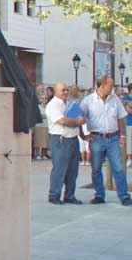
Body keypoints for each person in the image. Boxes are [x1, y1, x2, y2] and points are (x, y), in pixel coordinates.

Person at [80, 76, 130, 205]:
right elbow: (79, 117)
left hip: (113, 138)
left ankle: (124, 196)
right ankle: (99, 195)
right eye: (110, 85)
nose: (113, 88)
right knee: (96, 168)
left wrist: (123, 136)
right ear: (102, 86)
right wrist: (83, 135)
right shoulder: (88, 101)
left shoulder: (115, 99)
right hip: (96, 138)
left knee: (118, 168)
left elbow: (121, 118)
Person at [45, 82, 86, 205]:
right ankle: (54, 195)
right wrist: (77, 120)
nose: (66, 92)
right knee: (60, 169)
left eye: (67, 90)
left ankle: (69, 196)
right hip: (60, 140)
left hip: (73, 139)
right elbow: (62, 121)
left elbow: (76, 119)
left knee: (73, 170)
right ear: (56, 91)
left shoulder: (68, 104)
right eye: (63, 90)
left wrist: (81, 124)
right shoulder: (52, 105)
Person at [122, 83, 132, 167]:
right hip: (129, 122)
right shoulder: (126, 99)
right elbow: (128, 111)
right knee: (129, 141)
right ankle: (129, 158)